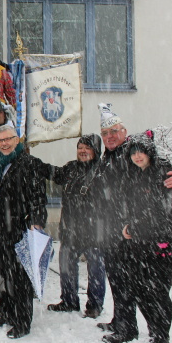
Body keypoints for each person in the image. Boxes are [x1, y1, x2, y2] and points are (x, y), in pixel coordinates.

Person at [94, 103, 172, 343]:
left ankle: (127, 329)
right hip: (112, 229)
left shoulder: (131, 152)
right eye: (105, 133)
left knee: (127, 281)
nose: (109, 136)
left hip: (129, 232)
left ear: (123, 132)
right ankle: (120, 320)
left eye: (114, 131)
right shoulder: (107, 157)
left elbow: (159, 168)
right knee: (117, 280)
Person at [121, 132, 172, 343]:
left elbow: (159, 212)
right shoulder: (136, 175)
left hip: (167, 244)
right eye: (133, 152)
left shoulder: (161, 170)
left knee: (157, 292)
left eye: (141, 151)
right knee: (142, 292)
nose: (137, 156)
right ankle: (155, 334)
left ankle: (161, 340)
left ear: (150, 152)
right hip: (145, 243)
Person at [0, 125, 48, 339]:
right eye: (0, 140)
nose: (4, 143)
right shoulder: (1, 163)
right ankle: (8, 312)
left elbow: (38, 196)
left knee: (21, 278)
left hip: (21, 227)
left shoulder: (29, 163)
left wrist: (36, 221)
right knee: (7, 274)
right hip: (2, 228)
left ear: (17, 139)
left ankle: (22, 321)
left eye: (8, 139)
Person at [45, 134, 106, 319]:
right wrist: (33, 164)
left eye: (87, 148)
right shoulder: (70, 168)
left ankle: (95, 305)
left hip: (94, 230)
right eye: (80, 147)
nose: (83, 151)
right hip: (70, 228)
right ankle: (69, 301)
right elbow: (52, 173)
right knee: (66, 266)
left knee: (95, 269)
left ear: (96, 150)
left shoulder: (103, 171)